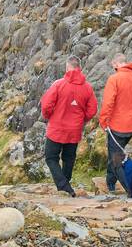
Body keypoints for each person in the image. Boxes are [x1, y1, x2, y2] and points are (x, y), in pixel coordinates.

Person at [39, 56, 98, 196]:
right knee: (69, 158)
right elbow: (92, 110)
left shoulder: (58, 84)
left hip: (57, 128)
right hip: (74, 130)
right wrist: (82, 119)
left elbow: (46, 105)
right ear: (80, 68)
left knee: (51, 157)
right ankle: (66, 184)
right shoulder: (87, 88)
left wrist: (49, 116)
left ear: (67, 68)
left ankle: (64, 186)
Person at [98, 54, 132, 194]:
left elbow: (108, 103)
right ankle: (110, 183)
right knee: (115, 154)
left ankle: (131, 189)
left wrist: (103, 121)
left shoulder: (114, 79)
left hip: (116, 127)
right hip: (131, 127)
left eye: (112, 65)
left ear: (116, 64)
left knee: (116, 162)